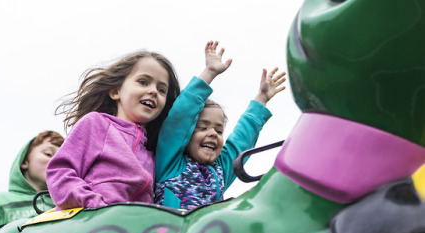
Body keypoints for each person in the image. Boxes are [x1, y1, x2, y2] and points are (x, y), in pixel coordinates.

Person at [155, 41, 286, 210]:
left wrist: (262, 98)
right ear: (186, 135)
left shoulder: (219, 172)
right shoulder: (170, 162)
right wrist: (209, 72)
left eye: (218, 130)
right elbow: (180, 117)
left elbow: (240, 142)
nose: (213, 133)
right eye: (202, 127)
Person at [46, 51, 180, 210]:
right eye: (143, 82)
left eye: (162, 89)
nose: (153, 91)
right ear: (116, 91)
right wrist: (92, 203)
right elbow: (59, 172)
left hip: (129, 229)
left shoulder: (153, 152)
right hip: (88, 221)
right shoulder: (96, 124)